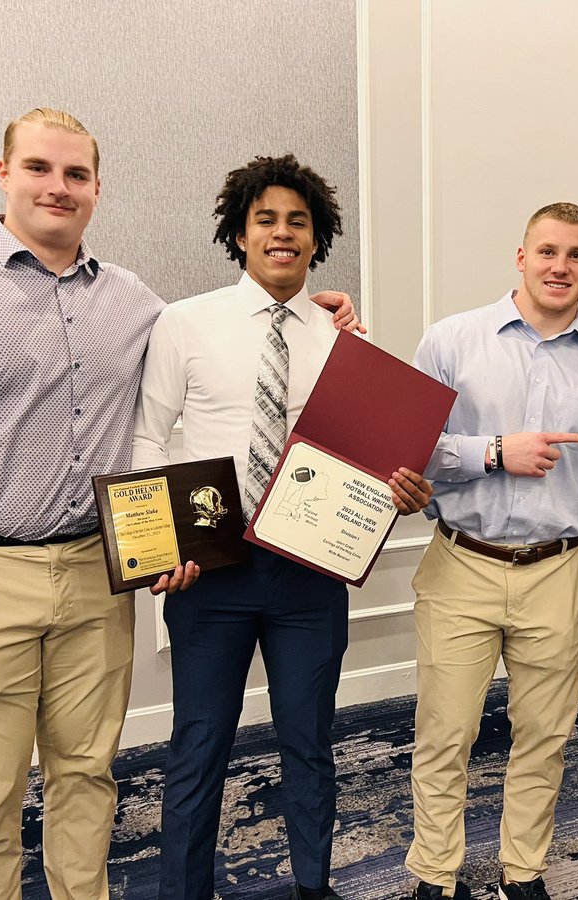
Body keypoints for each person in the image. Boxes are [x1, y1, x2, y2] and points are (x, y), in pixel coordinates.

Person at [0, 110, 361, 899]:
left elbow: (247, 343)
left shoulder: (135, 303)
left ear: (96, 189)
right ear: (4, 173)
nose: (59, 187)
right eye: (41, 169)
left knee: (88, 776)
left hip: (95, 568)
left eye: (77, 175)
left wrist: (309, 311)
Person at [131, 153, 433, 900]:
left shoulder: (347, 344)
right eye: (265, 219)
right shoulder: (183, 323)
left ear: (316, 237)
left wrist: (398, 488)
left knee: (309, 742)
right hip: (211, 574)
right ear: (239, 233)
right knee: (199, 745)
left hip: (309, 576)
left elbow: (368, 461)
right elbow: (147, 435)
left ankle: (312, 885)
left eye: (298, 221)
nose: (282, 233)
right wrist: (159, 549)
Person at [405, 202, 578, 900]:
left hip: (558, 571)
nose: (561, 266)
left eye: (577, 255)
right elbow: (408, 452)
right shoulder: (451, 341)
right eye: (548, 251)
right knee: (445, 734)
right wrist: (495, 451)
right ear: (520, 257)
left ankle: (522, 870)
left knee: (546, 735)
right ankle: (435, 873)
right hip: (462, 561)